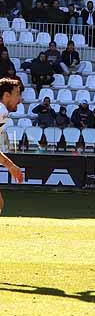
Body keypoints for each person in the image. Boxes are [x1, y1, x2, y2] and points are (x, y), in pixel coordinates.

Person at [0, 78, 26, 214]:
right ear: (6, 95)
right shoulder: (1, 111)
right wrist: (10, 165)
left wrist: (10, 165)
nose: (20, 99)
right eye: (17, 94)